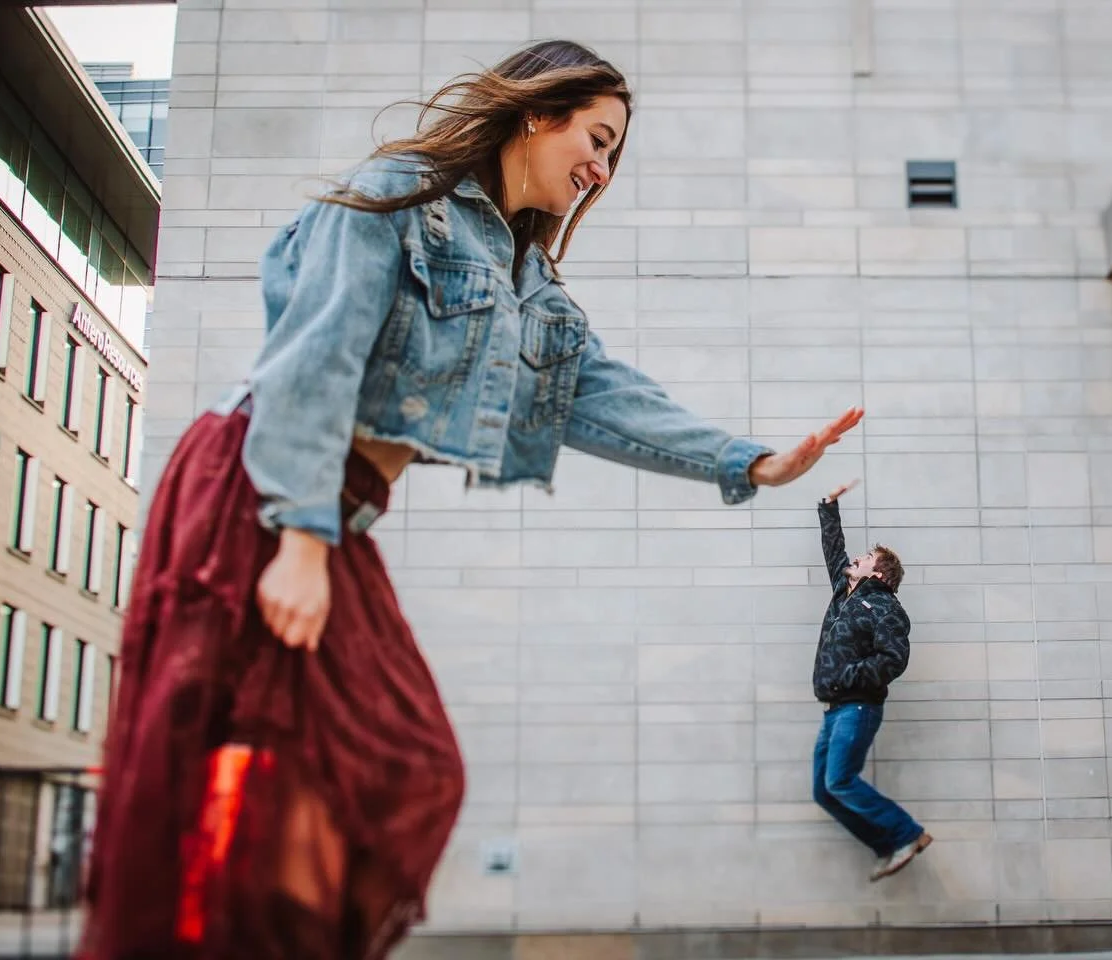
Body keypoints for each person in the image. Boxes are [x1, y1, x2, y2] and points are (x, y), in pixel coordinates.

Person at [82, 39, 864, 960]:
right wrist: (298, 536)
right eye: (598, 138)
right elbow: (315, 356)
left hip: (332, 512)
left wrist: (754, 461)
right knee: (245, 759)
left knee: (401, 768)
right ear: (537, 112)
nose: (603, 170)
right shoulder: (399, 194)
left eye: (615, 154)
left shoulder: (524, 277)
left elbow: (602, 396)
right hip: (262, 486)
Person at [810, 479, 931, 882]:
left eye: (864, 557)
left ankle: (907, 834)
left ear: (877, 572)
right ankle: (888, 845)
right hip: (836, 709)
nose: (855, 558)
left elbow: (894, 659)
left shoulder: (884, 607)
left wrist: (849, 676)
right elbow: (834, 552)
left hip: (859, 706)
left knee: (840, 780)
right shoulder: (846, 595)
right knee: (824, 790)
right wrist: (828, 506)